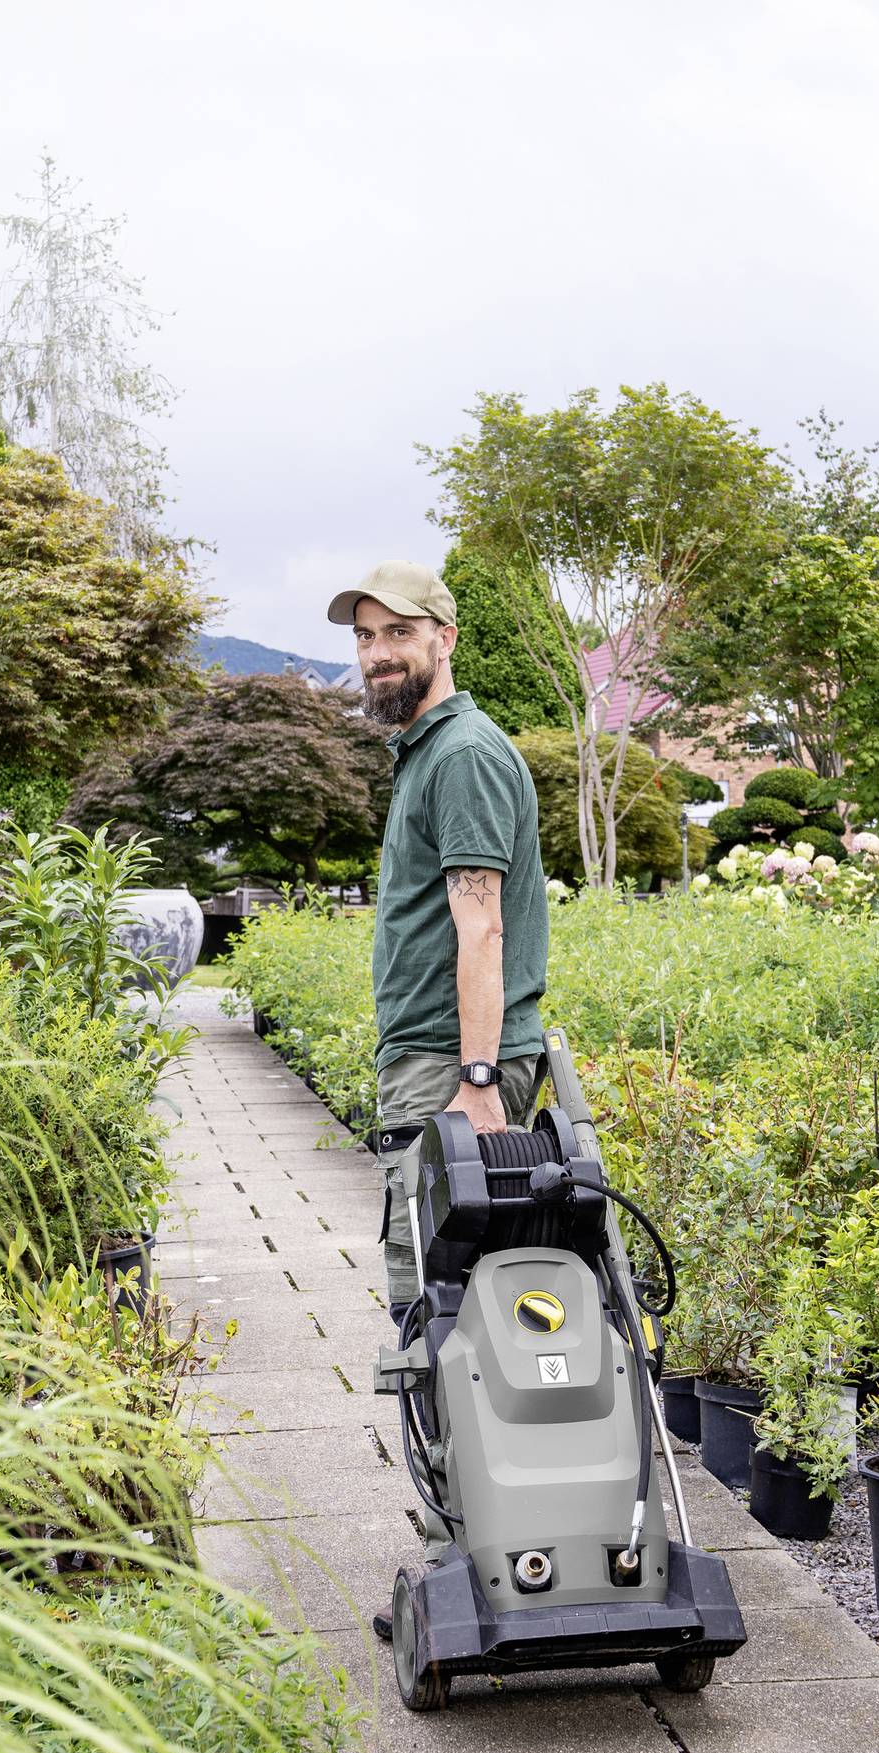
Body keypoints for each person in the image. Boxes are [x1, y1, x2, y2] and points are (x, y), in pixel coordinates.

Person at [329, 559, 550, 1329]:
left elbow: (482, 926)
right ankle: (459, 1449)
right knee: (441, 1285)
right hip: (436, 1058)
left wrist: (480, 1076)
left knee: (437, 1291)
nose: (377, 652)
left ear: (445, 638)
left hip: (454, 1065)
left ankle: (473, 1451)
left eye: (399, 632)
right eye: (365, 636)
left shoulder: (461, 755)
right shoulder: (428, 752)